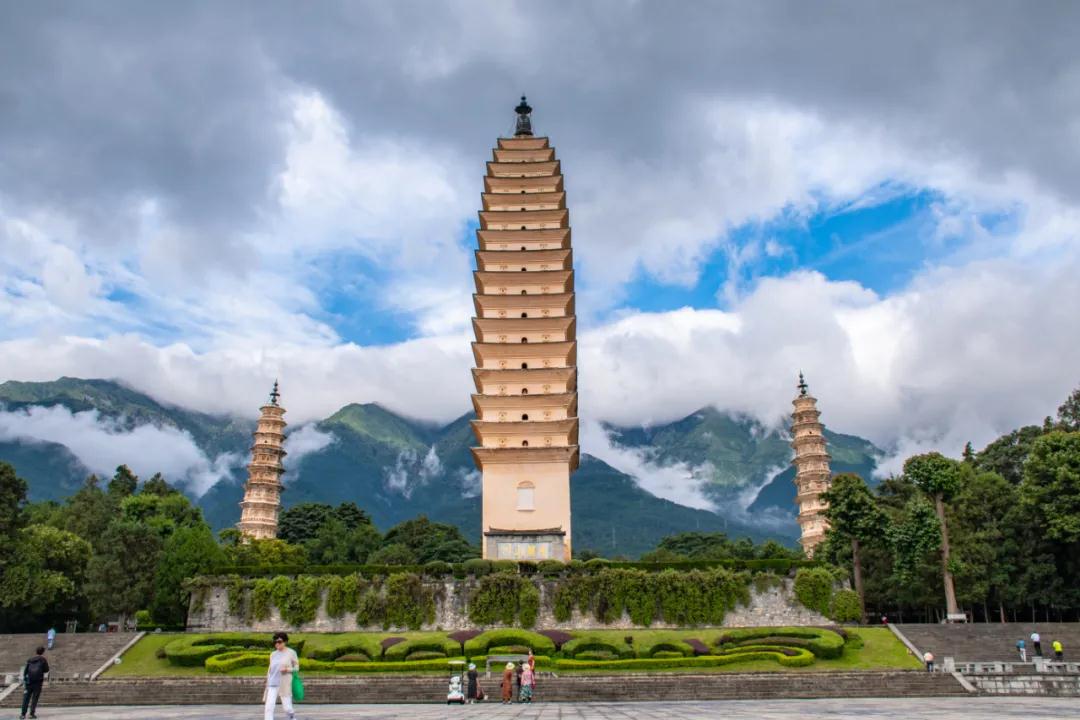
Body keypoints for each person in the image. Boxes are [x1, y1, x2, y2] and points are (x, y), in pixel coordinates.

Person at [264, 631, 299, 720]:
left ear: (285, 642)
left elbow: (297, 668)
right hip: (272, 684)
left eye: (279, 642)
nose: (277, 644)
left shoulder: (291, 653)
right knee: (269, 707)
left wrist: (287, 669)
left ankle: (291, 716)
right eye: (275, 642)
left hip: (284, 684)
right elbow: (271, 669)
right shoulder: (273, 654)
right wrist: (267, 681)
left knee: (287, 708)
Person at [21, 646, 49, 720]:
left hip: (29, 682)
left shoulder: (30, 659)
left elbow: (25, 671)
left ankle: (23, 714)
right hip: (38, 682)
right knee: (34, 698)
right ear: (43, 652)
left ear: (36, 651)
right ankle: (31, 714)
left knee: (26, 698)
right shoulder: (43, 659)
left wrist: (25, 679)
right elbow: (46, 670)